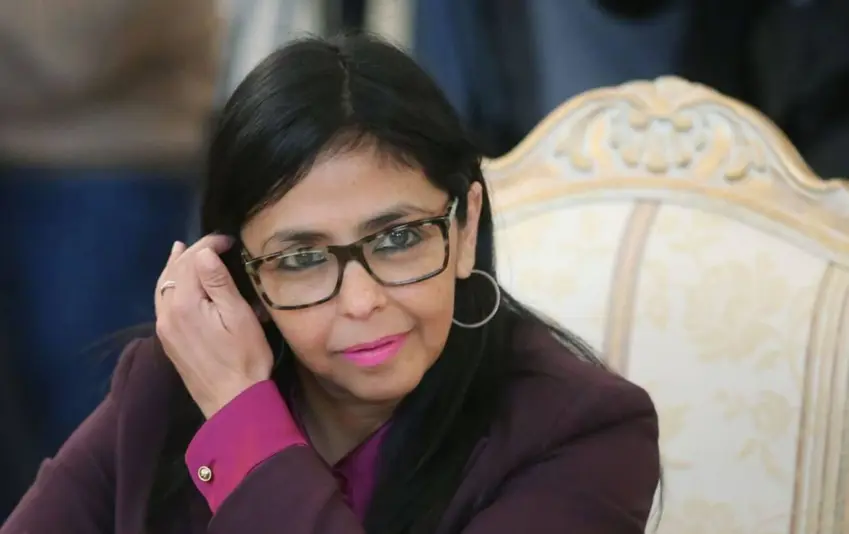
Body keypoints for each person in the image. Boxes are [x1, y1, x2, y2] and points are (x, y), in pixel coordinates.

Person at [1, 35, 660, 534]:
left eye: (398, 239)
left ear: (464, 230)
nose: (362, 301)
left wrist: (243, 422)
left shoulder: (585, 433)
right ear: (243, 277)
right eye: (301, 258)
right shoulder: (169, 386)